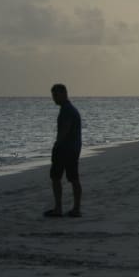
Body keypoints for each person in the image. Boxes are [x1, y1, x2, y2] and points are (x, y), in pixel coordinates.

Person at [46, 83, 82, 218]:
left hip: (66, 149)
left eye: (56, 95)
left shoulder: (67, 110)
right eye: (53, 95)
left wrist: (57, 145)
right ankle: (75, 209)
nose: (54, 98)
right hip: (73, 148)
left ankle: (59, 208)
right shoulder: (68, 109)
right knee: (73, 178)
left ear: (63, 94)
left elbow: (64, 131)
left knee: (57, 178)